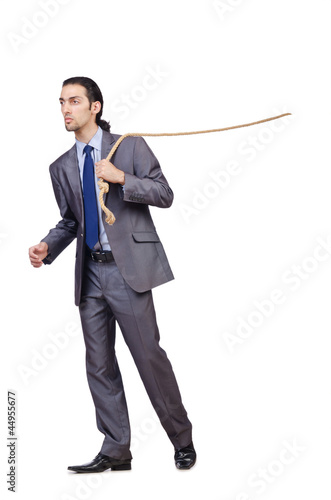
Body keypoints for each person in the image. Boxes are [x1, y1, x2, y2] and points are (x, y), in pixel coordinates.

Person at [28, 77, 196, 472]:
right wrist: (47, 246)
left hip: (128, 272)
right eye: (61, 103)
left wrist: (122, 178)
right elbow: (71, 222)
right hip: (90, 276)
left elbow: (164, 194)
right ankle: (116, 449)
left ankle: (182, 439)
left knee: (148, 357)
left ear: (95, 107)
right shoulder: (61, 167)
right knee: (99, 364)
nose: (66, 109)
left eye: (74, 101)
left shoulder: (130, 146)